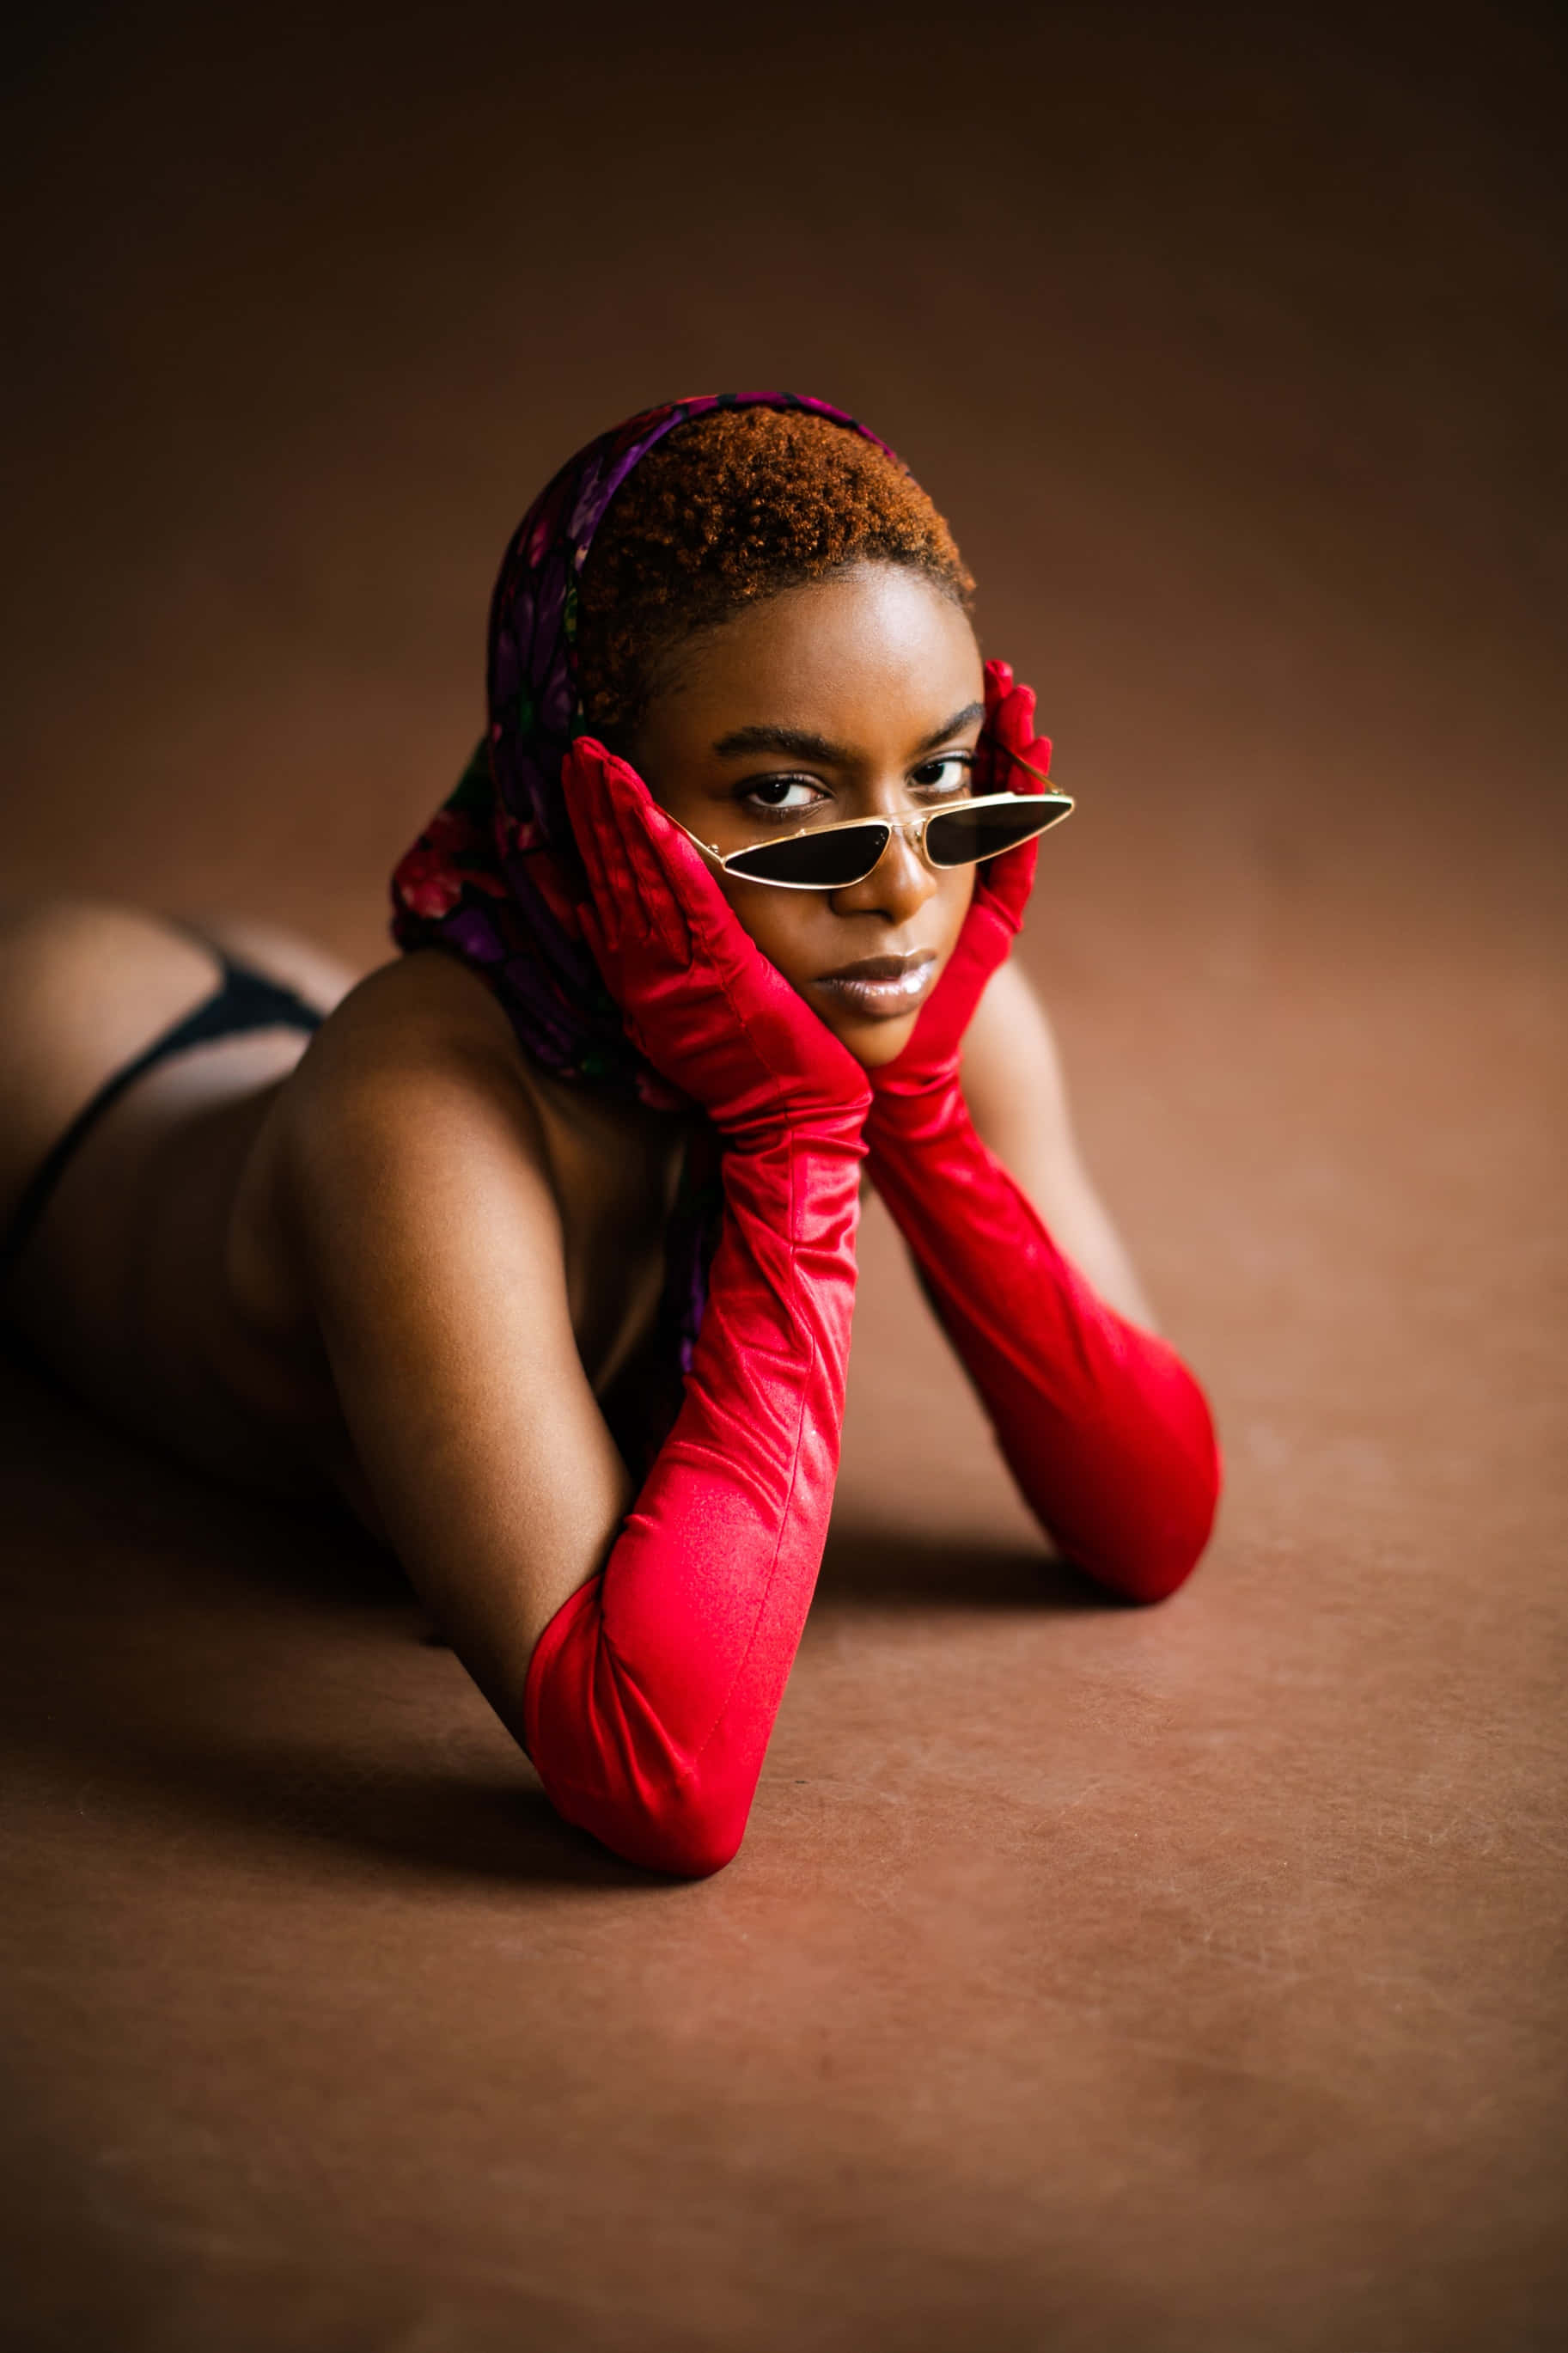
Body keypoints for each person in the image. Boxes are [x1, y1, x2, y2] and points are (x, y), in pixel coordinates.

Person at [0, 393, 1220, 1877]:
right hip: (72, 1064)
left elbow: (1150, 1523)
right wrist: (795, 1135)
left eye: (944, 777)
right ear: (598, 814)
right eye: (785, 794)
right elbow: (655, 1771)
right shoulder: (417, 1111)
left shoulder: (920, 993)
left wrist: (913, 1114)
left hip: (295, 1012)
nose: (903, 890)